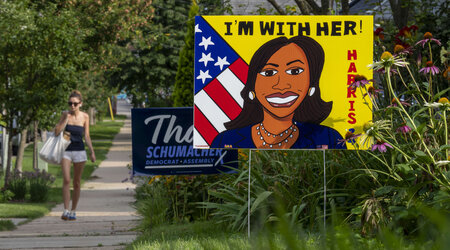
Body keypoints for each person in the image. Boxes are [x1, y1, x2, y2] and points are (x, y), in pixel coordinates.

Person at [211, 36, 346, 149]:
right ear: (253, 86)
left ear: (311, 84)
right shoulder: (225, 141)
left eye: (295, 71)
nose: (282, 85)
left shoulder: (329, 138)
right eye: (269, 72)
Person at [54, 90, 96, 221]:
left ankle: (73, 210)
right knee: (66, 180)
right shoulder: (65, 115)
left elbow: (87, 136)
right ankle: (65, 210)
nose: (72, 106)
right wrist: (65, 120)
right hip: (66, 150)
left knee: (76, 182)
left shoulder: (85, 117)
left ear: (80, 104)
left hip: (79, 151)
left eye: (75, 104)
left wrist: (92, 151)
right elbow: (56, 132)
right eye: (70, 103)